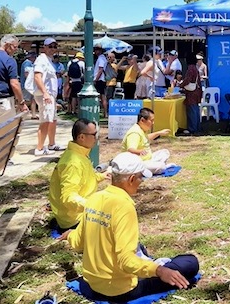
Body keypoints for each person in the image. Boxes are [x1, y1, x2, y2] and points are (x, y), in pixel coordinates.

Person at [60, 152, 200, 302]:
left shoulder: (94, 199)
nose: (142, 182)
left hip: (92, 283)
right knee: (190, 263)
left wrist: (69, 235)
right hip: (119, 290)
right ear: (132, 179)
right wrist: (159, 271)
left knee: (137, 246)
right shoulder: (124, 207)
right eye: (141, 177)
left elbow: (79, 241)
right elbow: (125, 261)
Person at [49, 118, 110, 232]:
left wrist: (103, 176)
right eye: (94, 134)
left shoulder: (79, 153)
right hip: (74, 219)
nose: (96, 138)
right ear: (81, 137)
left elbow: (85, 178)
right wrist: (94, 206)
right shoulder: (73, 163)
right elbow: (68, 197)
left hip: (81, 212)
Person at [33, 38, 62, 155]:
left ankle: (51, 144)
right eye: (50, 46)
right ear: (44, 47)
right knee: (45, 120)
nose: (53, 49)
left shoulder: (49, 61)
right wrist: (45, 93)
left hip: (51, 95)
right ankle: (39, 148)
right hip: (46, 95)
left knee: (52, 120)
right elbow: (37, 77)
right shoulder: (41, 60)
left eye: (55, 46)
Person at [122, 108, 172, 173]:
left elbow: (146, 138)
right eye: (151, 120)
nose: (153, 123)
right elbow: (130, 149)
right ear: (142, 120)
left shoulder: (141, 129)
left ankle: (152, 166)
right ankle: (150, 168)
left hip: (147, 159)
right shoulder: (134, 133)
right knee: (161, 166)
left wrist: (159, 133)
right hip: (136, 163)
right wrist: (139, 151)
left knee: (165, 152)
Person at [180, 54, 203, 135]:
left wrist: (181, 85)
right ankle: (197, 127)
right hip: (197, 91)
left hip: (191, 93)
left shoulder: (190, 68)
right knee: (196, 110)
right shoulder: (195, 68)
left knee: (192, 110)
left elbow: (188, 79)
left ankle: (192, 129)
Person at [21, 51, 38, 119]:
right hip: (27, 85)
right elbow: (26, 73)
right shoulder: (27, 63)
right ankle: (18, 113)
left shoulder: (31, 64)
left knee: (33, 100)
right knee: (26, 100)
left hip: (32, 85)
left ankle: (33, 115)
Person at [93, 43, 108, 117]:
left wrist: (96, 79)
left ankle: (105, 113)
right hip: (100, 80)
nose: (95, 51)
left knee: (102, 97)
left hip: (100, 80)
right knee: (102, 97)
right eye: (95, 50)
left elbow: (100, 70)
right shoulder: (101, 58)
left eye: (97, 50)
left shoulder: (101, 58)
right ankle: (104, 112)